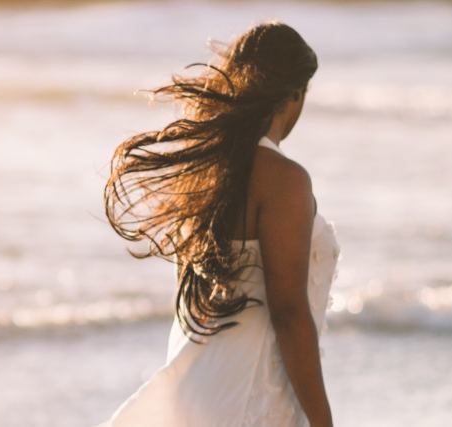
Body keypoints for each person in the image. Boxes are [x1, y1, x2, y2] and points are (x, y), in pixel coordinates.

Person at [100, 21, 340, 427]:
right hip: (250, 392)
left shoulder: (207, 172)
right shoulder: (284, 178)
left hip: (200, 385)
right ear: (294, 95)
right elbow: (288, 311)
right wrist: (323, 422)